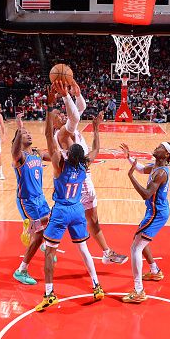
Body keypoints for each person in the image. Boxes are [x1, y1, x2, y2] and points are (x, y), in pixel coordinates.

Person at [35, 88, 105, 312]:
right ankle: (96, 285)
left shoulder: (60, 164)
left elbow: (48, 136)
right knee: (83, 249)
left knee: (49, 251)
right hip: (77, 209)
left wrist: (47, 109)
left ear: (67, 152)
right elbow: (96, 149)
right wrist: (95, 129)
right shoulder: (85, 166)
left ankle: (49, 294)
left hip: (62, 210)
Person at [52, 80, 127, 265]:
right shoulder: (61, 134)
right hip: (78, 179)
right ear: (52, 122)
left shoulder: (72, 129)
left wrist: (77, 94)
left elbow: (79, 110)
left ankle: (106, 252)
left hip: (85, 174)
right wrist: (66, 95)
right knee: (78, 216)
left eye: (62, 112)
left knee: (90, 218)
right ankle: (47, 237)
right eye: (57, 114)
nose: (61, 114)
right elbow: (75, 117)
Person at [121, 141, 170, 304]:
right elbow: (141, 168)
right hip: (153, 211)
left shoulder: (161, 173)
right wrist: (129, 157)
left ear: (166, 155)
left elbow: (146, 194)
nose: (156, 147)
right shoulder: (155, 167)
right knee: (140, 242)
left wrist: (130, 177)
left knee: (135, 247)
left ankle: (138, 290)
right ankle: (154, 270)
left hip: (156, 213)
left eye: (160, 147)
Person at [12, 113, 53, 286]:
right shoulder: (19, 157)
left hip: (40, 198)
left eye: (28, 133)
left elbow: (55, 156)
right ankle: (21, 270)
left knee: (52, 222)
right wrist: (19, 126)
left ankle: (40, 240)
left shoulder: (37, 153)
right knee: (39, 233)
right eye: (24, 134)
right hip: (27, 200)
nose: (28, 134)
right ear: (18, 140)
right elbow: (14, 150)